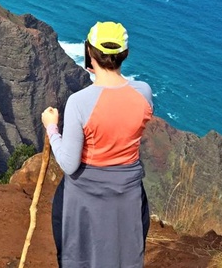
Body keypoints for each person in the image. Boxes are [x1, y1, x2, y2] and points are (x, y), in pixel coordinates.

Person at [41, 21, 153, 268]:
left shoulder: (79, 102)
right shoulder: (144, 93)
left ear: (89, 52)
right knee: (123, 255)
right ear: (125, 54)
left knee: (78, 256)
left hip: (84, 198)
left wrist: (51, 127)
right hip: (128, 195)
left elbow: (69, 164)